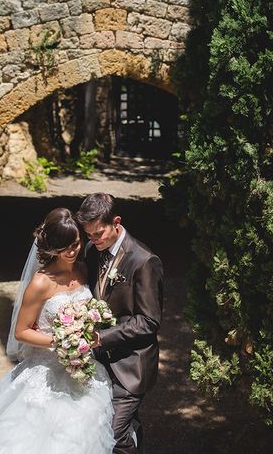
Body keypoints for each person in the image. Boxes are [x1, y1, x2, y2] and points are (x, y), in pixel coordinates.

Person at [0, 207, 115, 454]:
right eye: (65, 247)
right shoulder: (40, 283)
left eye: (77, 243)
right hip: (47, 368)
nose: (73, 251)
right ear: (52, 247)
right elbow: (21, 331)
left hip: (84, 366)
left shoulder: (82, 269)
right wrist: (62, 340)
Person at [76, 194, 164, 454]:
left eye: (98, 233)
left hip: (131, 365)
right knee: (108, 426)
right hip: (99, 362)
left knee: (110, 435)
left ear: (116, 222)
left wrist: (102, 338)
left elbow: (148, 322)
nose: (93, 239)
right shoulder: (93, 250)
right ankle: (133, 437)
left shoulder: (144, 261)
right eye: (88, 234)